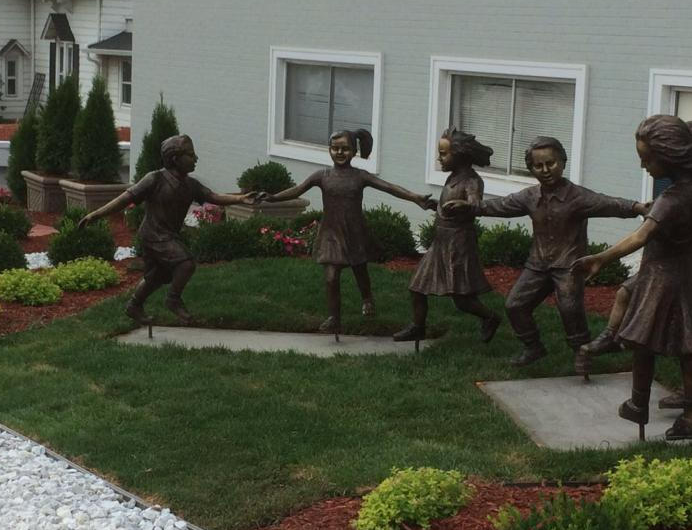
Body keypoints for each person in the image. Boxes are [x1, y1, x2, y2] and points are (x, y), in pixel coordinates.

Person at [572, 115, 692, 441]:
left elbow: (641, 236)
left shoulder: (672, 199)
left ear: (669, 155)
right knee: (691, 348)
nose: (643, 165)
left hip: (662, 278)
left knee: (643, 340)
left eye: (647, 158)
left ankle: (639, 403)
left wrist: (601, 258)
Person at [453, 136, 648, 366]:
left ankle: (582, 353)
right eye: (538, 166)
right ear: (531, 169)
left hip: (568, 266)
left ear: (563, 162)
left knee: (570, 309)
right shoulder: (530, 196)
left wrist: (637, 207)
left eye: (551, 163)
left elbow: (609, 203)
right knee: (515, 304)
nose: (545, 170)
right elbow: (502, 205)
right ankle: (533, 347)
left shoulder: (578, 197)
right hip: (538, 264)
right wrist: (472, 208)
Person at [578, 121, 692, 375]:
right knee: (629, 296)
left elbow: (642, 235)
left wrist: (603, 257)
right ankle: (612, 337)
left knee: (685, 337)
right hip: (665, 266)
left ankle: (668, 400)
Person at [261, 128, 436, 335]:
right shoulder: (322, 176)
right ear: (329, 150)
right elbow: (297, 190)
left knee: (359, 270)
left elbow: (389, 187)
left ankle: (367, 298)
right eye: (335, 149)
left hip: (354, 232)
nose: (340, 153)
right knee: (331, 277)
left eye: (345, 149)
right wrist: (272, 197)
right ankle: (334, 318)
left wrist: (415, 197)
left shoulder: (359, 176)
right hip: (331, 234)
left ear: (354, 151)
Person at [77, 134, 259, 325]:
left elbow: (213, 196)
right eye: (190, 154)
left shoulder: (191, 184)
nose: (195, 159)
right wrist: (95, 215)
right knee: (186, 263)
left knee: (159, 276)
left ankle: (134, 305)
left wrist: (241, 198)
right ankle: (172, 300)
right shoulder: (154, 179)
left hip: (167, 235)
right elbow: (125, 199)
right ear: (175, 158)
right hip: (153, 234)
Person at [393, 129, 500, 343]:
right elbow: (450, 206)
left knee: (461, 298)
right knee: (417, 287)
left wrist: (466, 205)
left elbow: (476, 203)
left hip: (458, 245)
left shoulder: (471, 181)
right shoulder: (453, 177)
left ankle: (490, 318)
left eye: (443, 154)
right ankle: (418, 326)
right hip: (440, 242)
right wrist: (437, 207)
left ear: (459, 155)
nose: (439, 158)